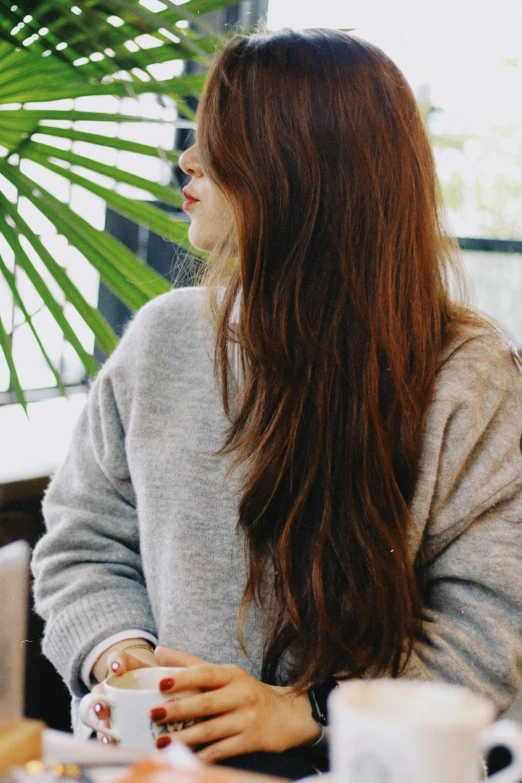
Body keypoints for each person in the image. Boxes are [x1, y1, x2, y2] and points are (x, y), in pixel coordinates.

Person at [32, 28, 522, 780]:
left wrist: (305, 708)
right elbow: (82, 542)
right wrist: (119, 659)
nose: (187, 160)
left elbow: (491, 632)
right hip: (156, 768)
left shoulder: (466, 373)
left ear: (299, 166)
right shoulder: (162, 339)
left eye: (219, 139)